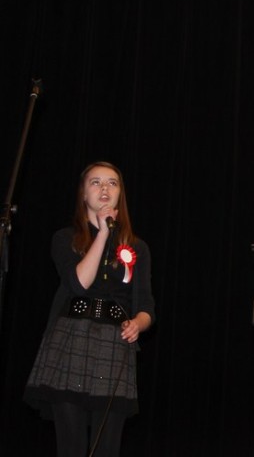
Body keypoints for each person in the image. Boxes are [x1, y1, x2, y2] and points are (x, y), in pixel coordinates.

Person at [24, 161, 155, 457]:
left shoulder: (138, 248)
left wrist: (139, 322)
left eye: (112, 183)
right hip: (71, 338)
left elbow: (146, 306)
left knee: (106, 447)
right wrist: (103, 234)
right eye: (96, 182)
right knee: (70, 446)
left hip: (114, 344)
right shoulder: (65, 238)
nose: (104, 188)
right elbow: (79, 283)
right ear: (83, 194)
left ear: (120, 194)